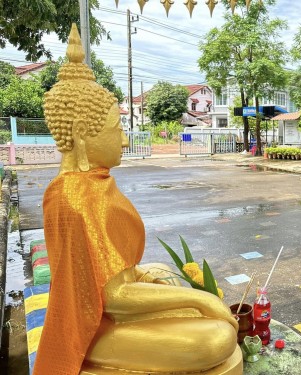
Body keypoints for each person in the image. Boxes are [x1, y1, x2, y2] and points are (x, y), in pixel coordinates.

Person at [34, 24, 241, 375]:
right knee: (215, 338)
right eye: (117, 130)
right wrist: (201, 299)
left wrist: (146, 277)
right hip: (93, 325)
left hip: (111, 304)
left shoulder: (93, 183)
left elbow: (112, 274)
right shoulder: (71, 197)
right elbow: (113, 298)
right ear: (83, 134)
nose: (125, 142)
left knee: (163, 273)